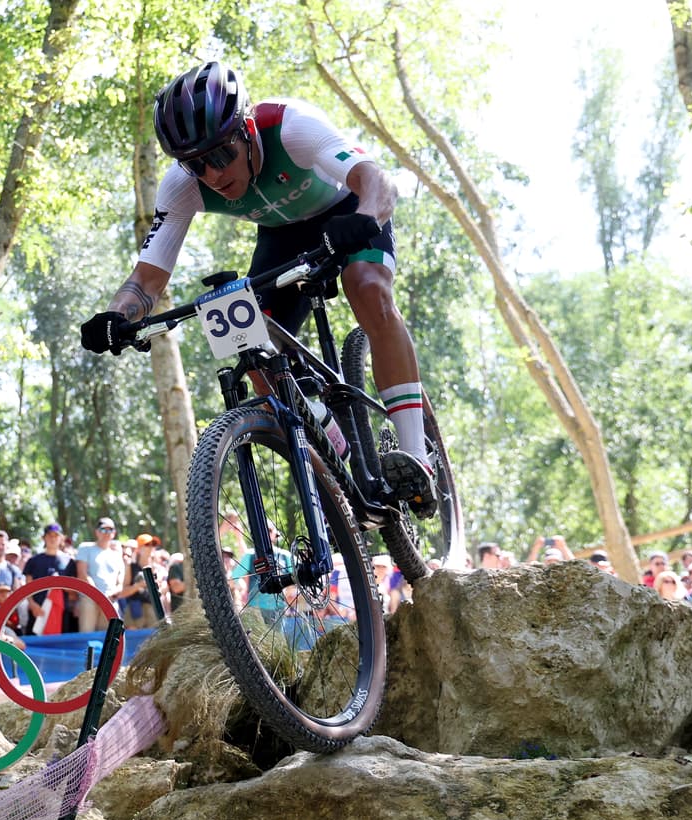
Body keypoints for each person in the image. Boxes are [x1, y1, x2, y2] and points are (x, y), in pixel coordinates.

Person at [80, 60, 435, 516]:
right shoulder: (181, 187)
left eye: (221, 155)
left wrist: (365, 219)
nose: (210, 174)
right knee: (248, 344)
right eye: (194, 164)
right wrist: (116, 317)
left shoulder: (290, 127)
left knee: (364, 285)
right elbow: (146, 280)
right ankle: (338, 458)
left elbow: (375, 181)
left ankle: (415, 455)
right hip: (282, 234)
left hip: (348, 208)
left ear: (247, 130)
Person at [74, 517, 126, 632]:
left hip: (110, 601)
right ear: (97, 531)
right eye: (103, 529)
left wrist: (112, 594)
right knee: (87, 636)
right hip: (89, 598)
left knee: (109, 639)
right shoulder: (85, 547)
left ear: (114, 533)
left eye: (110, 529)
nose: (107, 533)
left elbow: (120, 583)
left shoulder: (117, 555)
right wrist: (98, 595)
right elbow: (82, 573)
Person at [23, 524, 72, 634]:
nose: (53, 538)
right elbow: (27, 587)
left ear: (61, 538)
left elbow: (73, 591)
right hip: (37, 611)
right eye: (49, 535)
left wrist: (60, 583)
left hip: (61, 613)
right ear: (43, 538)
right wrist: (32, 604)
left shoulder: (69, 561)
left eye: (56, 536)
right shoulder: (33, 561)